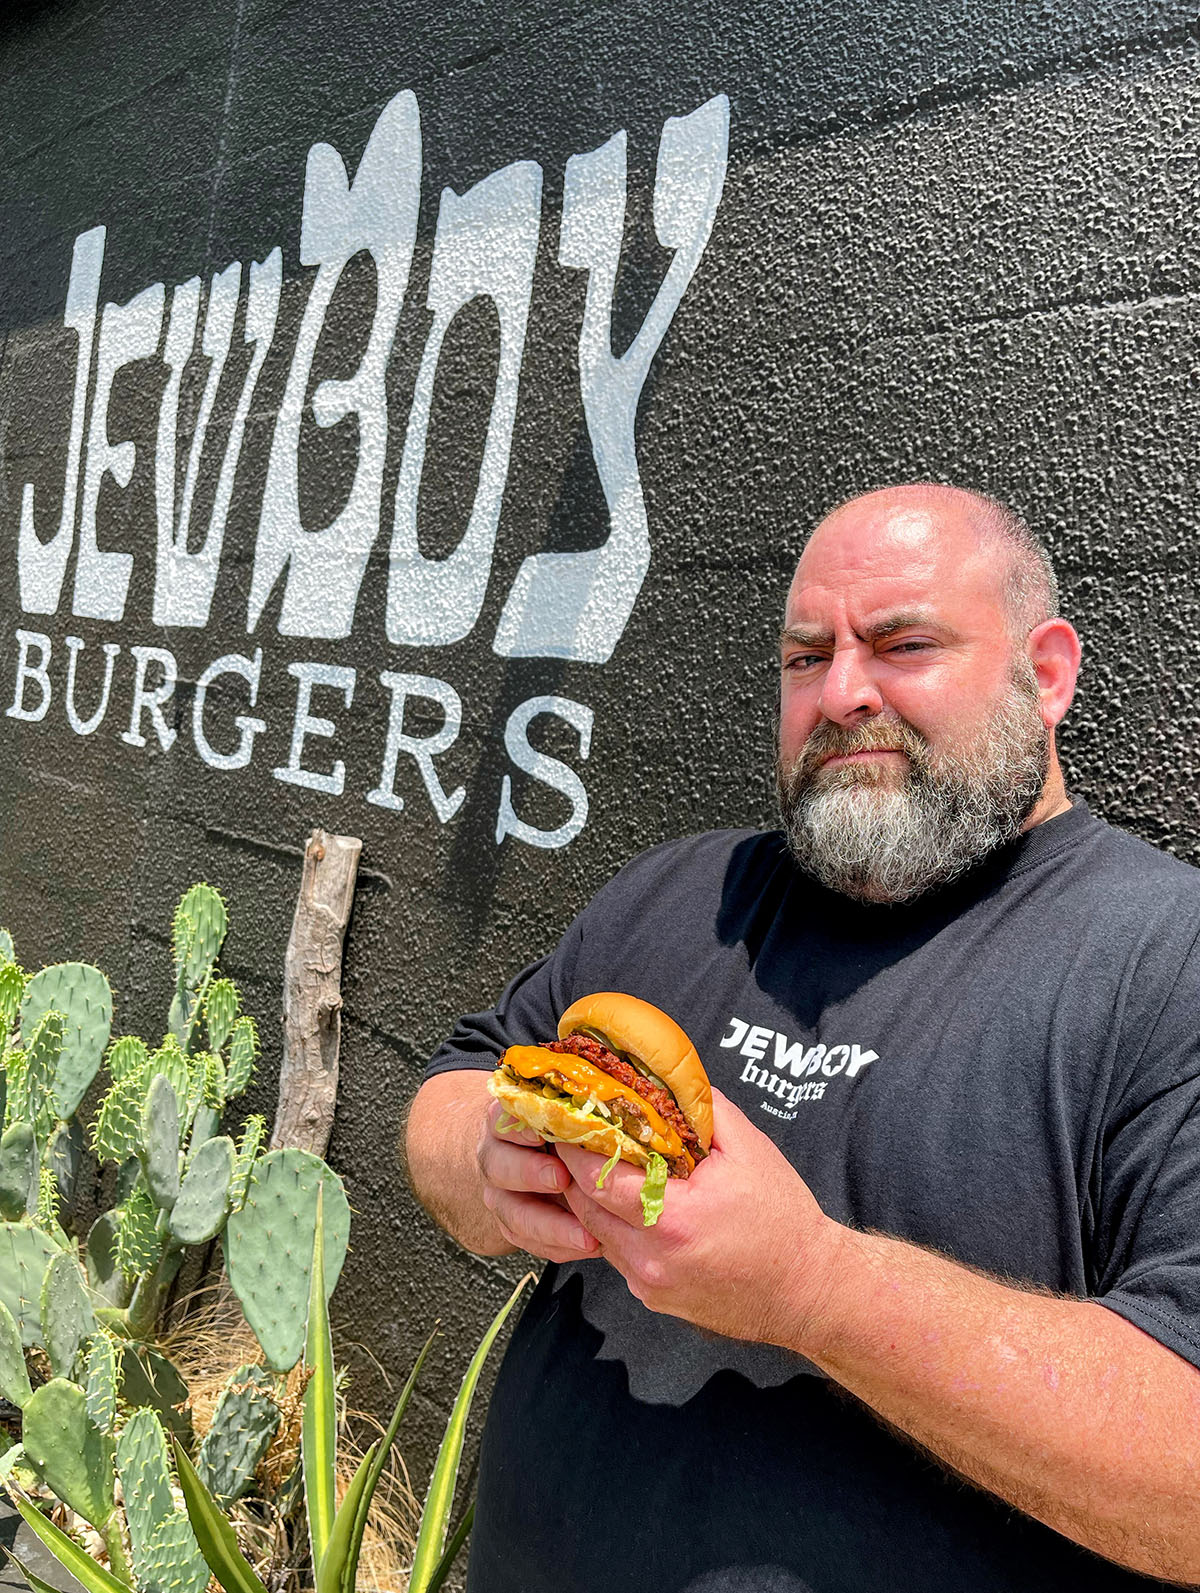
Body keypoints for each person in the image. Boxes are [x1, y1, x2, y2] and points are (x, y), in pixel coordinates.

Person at [405, 483, 1200, 1593]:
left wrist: (812, 1288)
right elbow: (460, 1080)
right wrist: (496, 1167)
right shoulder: (684, 893)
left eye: (902, 645)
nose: (841, 694)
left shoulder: (1164, 965)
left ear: (1049, 672)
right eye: (802, 658)